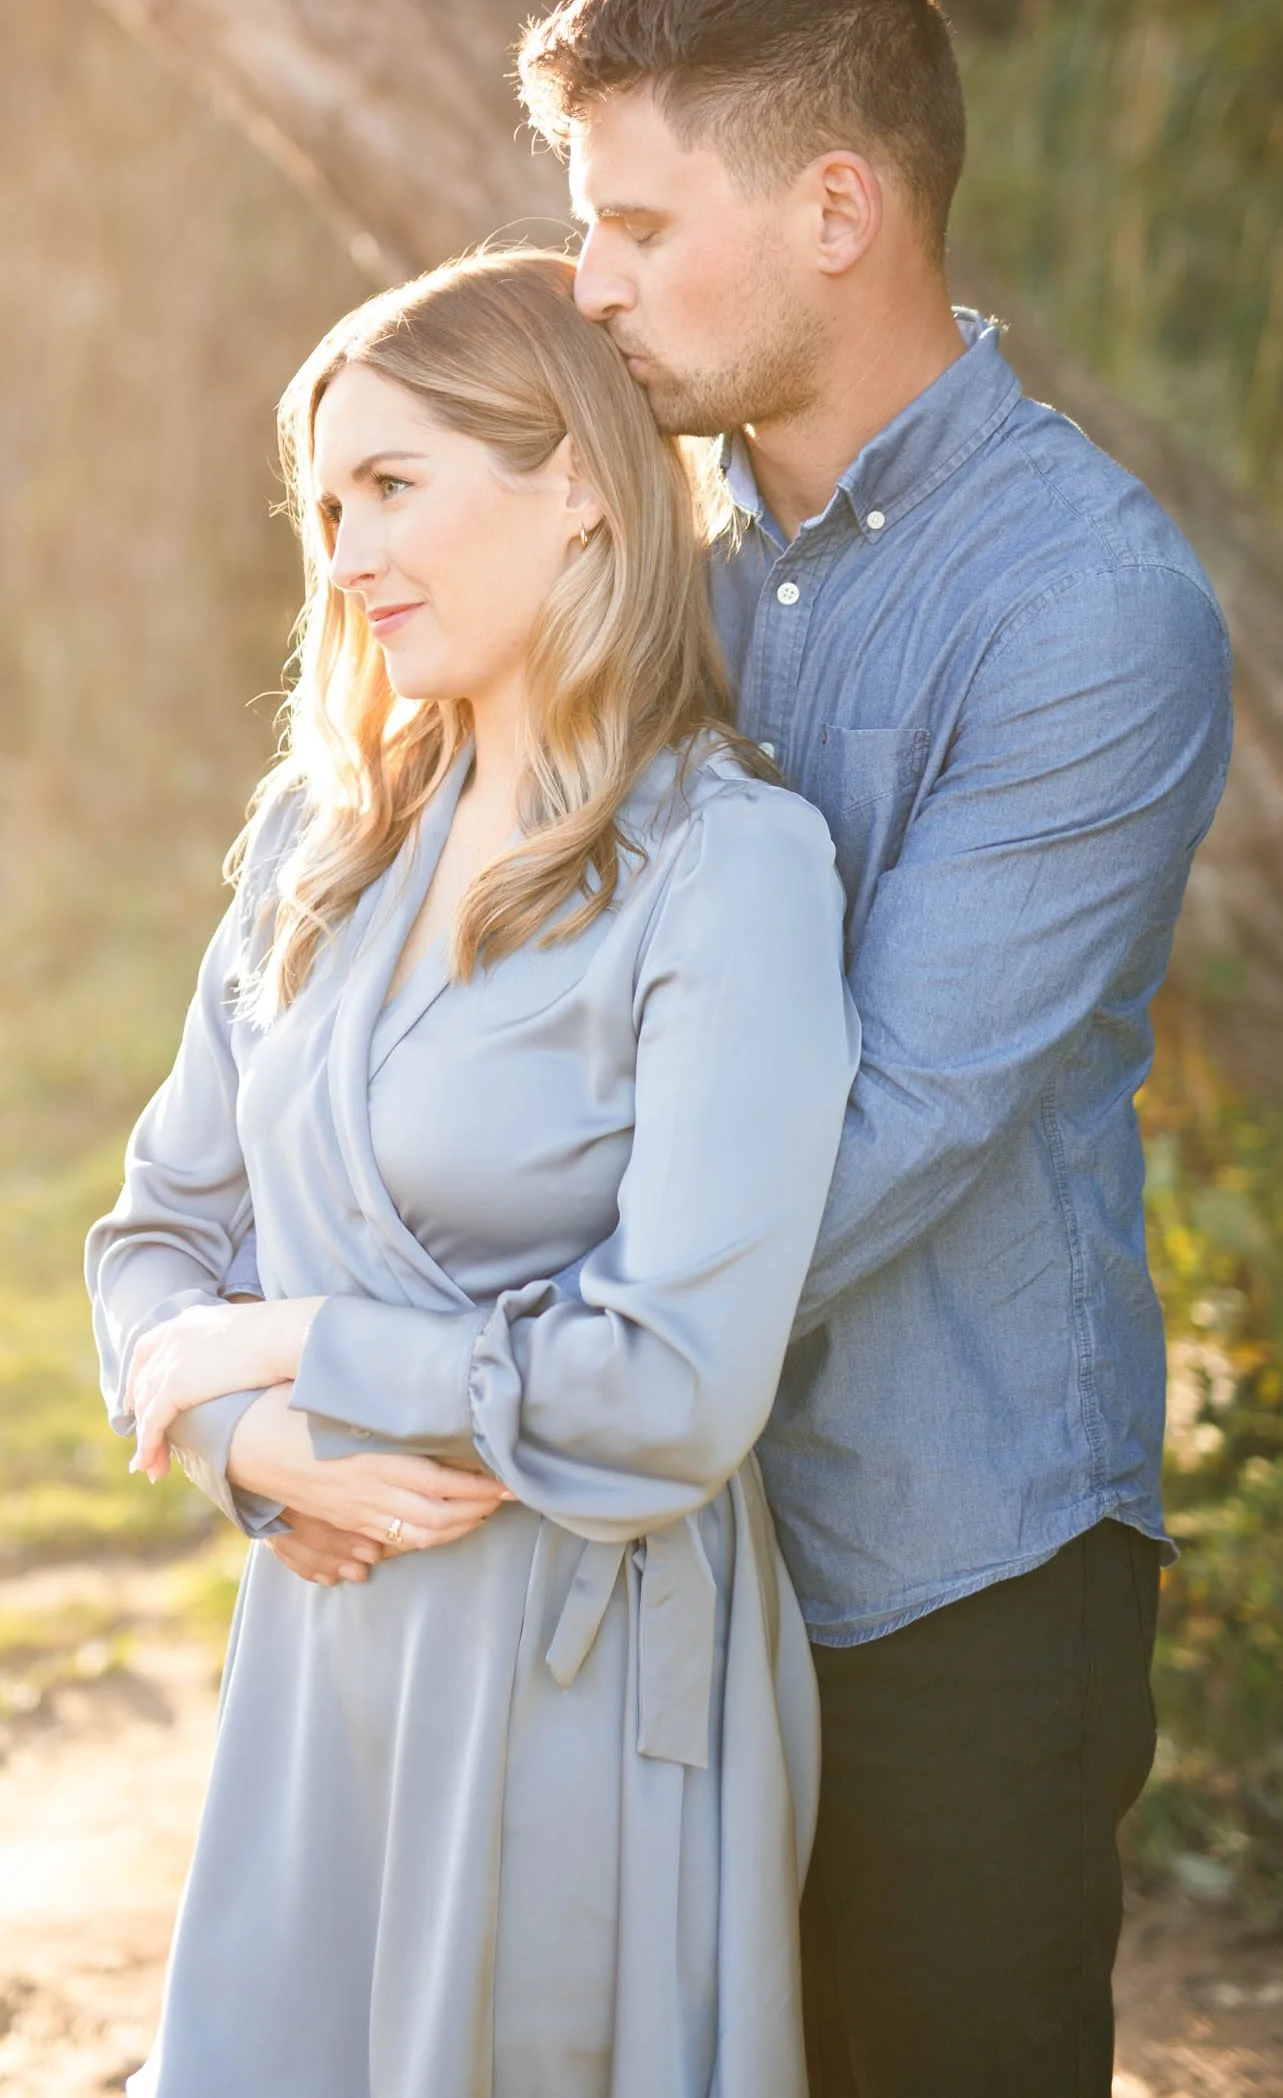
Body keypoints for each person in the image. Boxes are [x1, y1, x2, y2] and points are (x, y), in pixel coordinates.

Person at [506, 0, 1230, 2096]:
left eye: (635, 220)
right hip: (674, 1558)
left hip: (955, 1564)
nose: (587, 281)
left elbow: (889, 1121)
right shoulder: (658, 571)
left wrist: (470, 1366)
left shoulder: (1086, 609)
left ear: (835, 208)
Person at [86, 247, 859, 2098]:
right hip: (324, 1642)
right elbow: (154, 1236)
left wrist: (300, 1351)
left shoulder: (727, 870)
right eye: (326, 502)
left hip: (575, 1673)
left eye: (394, 487)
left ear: (578, 480)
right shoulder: (315, 840)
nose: (345, 551)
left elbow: (675, 1388)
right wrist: (237, 1449)